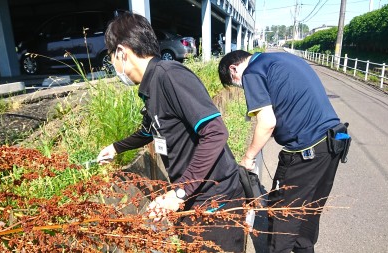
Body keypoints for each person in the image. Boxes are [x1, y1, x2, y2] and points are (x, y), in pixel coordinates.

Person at [96, 12, 245, 252]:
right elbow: (149, 131)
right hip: (193, 195)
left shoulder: (170, 76)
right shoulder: (151, 86)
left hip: (215, 198)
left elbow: (215, 132)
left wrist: (179, 192)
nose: (112, 65)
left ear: (122, 52)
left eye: (111, 57)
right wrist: (116, 147)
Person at [218, 50, 349, 253]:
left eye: (234, 82)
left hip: (306, 150)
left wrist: (248, 157)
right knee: (308, 213)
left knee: (282, 216)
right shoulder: (282, 59)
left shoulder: (252, 71)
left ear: (233, 69)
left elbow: (268, 122)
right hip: (332, 144)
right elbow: (290, 106)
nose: (239, 86)